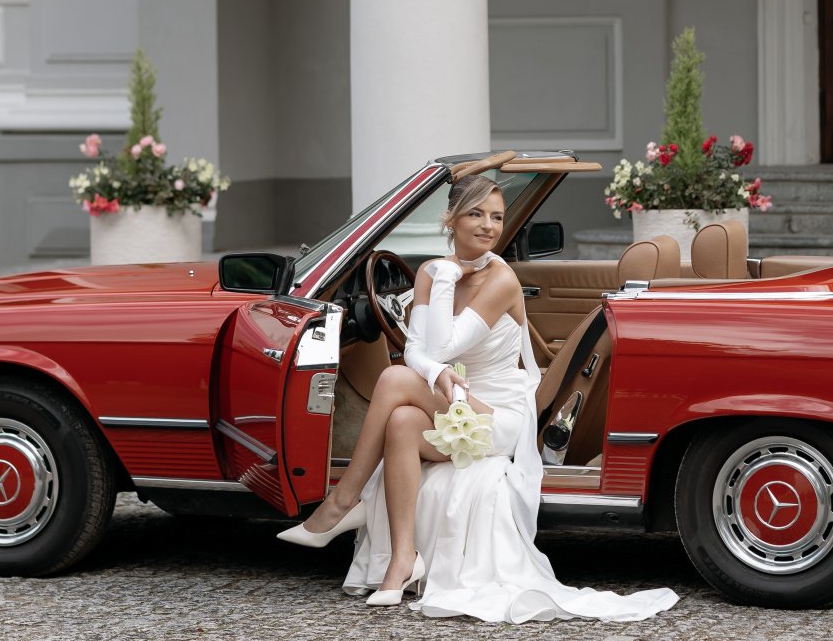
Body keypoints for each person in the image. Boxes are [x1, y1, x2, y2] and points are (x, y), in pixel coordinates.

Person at [277, 174, 677, 622]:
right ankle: (403, 560)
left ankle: (342, 501)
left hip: (500, 412)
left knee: (392, 379)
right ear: (451, 219)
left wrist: (447, 284)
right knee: (402, 422)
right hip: (453, 398)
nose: (489, 226)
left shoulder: (500, 279)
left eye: (497, 217)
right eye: (476, 214)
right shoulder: (429, 271)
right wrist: (439, 371)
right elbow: (417, 349)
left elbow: (442, 345)